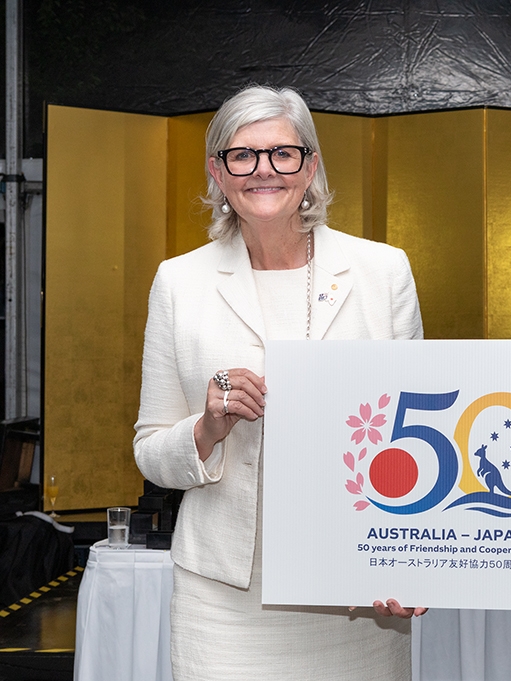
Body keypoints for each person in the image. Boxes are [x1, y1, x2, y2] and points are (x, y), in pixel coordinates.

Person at [134, 85, 424, 680]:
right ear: (218, 172)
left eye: (283, 153)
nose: (263, 170)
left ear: (310, 167)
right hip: (224, 596)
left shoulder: (382, 271)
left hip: (355, 589)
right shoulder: (179, 282)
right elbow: (150, 451)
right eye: (243, 155)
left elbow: (417, 432)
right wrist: (208, 427)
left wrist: (412, 562)